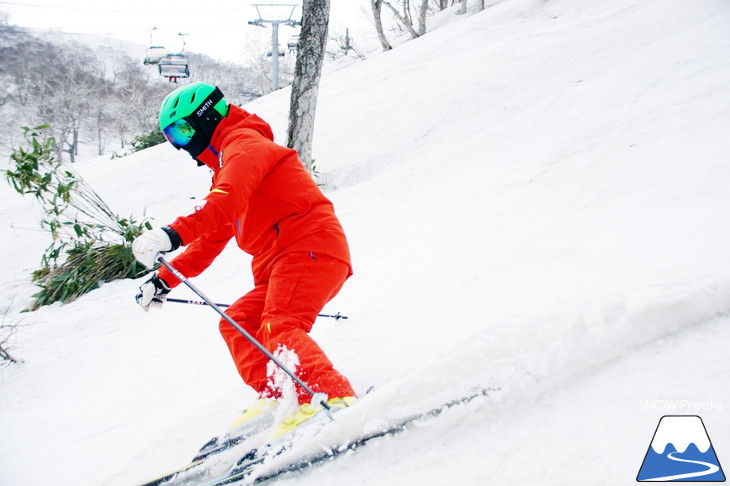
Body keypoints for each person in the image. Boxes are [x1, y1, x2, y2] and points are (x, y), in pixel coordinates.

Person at [132, 82, 356, 438]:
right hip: (282, 263)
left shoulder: (245, 146)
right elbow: (210, 237)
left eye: (184, 129)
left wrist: (172, 233)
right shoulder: (225, 166)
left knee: (279, 324)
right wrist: (164, 279)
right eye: (173, 136)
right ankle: (279, 392)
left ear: (207, 117)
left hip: (309, 248)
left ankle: (332, 397)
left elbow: (225, 202)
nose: (181, 143)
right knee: (238, 321)